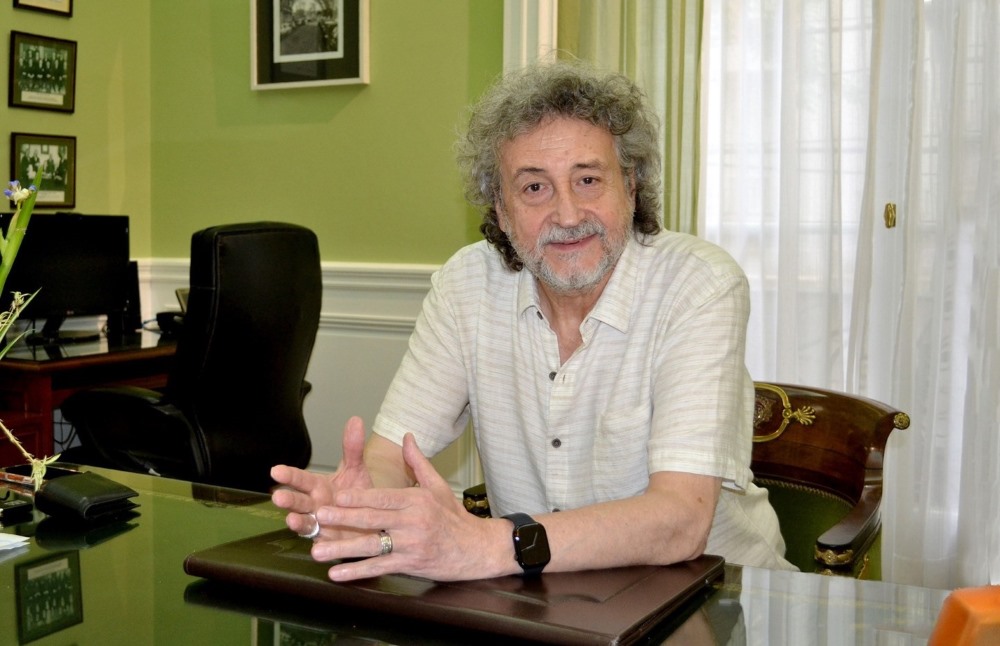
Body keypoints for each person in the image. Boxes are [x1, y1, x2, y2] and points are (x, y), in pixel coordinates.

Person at [271, 61, 795, 582]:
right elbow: (391, 456)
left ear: (631, 187)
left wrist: (491, 543)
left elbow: (681, 520)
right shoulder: (466, 286)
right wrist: (362, 503)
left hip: (721, 595)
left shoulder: (699, 284)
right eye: (534, 188)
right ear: (501, 210)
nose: (567, 215)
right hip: (548, 600)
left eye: (588, 180)